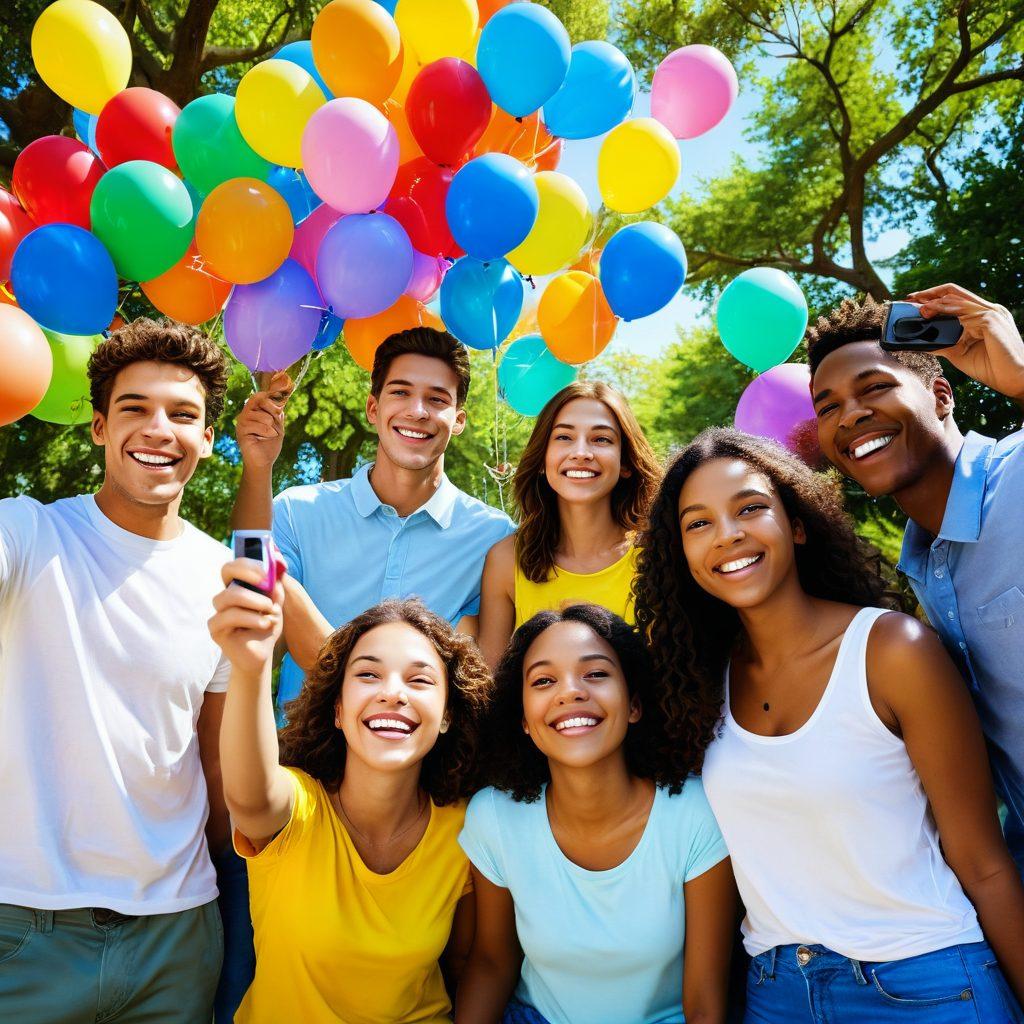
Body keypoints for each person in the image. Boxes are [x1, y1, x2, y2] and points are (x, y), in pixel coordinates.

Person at [634, 427, 1024, 1023]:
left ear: (796, 524)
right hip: (778, 993)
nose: (728, 534)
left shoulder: (893, 651)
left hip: (929, 984)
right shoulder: (697, 685)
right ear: (682, 555)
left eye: (750, 508)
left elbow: (983, 862)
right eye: (699, 523)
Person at [0, 318, 231, 1022]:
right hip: (22, 930)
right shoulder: (27, 531)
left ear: (207, 439)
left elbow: (217, 767)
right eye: (135, 408)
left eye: (182, 414)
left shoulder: (226, 577)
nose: (159, 429)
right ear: (100, 427)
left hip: (179, 937)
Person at [208, 571, 491, 1024]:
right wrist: (251, 666)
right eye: (368, 674)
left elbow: (466, 965)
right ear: (338, 710)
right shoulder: (297, 808)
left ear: (446, 715)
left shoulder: (465, 828)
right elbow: (250, 799)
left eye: (419, 680)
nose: (392, 693)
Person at [807, 284, 1024, 871]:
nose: (851, 415)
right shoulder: (920, 565)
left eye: (875, 387)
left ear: (941, 395)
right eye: (827, 407)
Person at [456, 604, 735, 1024]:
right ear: (524, 721)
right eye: (544, 680)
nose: (570, 692)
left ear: (634, 704)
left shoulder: (694, 813)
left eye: (596, 674)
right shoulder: (494, 818)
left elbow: (705, 1004)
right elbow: (492, 962)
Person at [232, 326, 514, 715]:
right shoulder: (296, 511)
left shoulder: (494, 538)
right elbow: (248, 587)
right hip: (301, 751)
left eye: (436, 399)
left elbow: (482, 681)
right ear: (372, 408)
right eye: (400, 392)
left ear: (459, 420)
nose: (417, 411)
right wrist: (257, 468)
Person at [477, 381, 660, 668]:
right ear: (542, 459)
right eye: (564, 437)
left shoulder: (657, 555)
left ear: (625, 462)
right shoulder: (506, 560)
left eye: (601, 439)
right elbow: (490, 683)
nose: (581, 452)